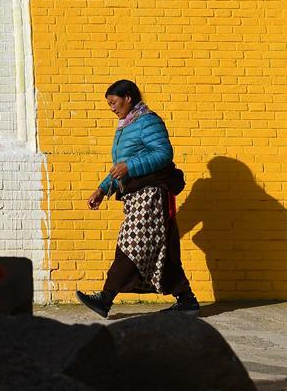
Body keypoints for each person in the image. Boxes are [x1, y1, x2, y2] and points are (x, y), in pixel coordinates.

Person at [77, 80, 199, 318]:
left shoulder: (148, 121)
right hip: (136, 194)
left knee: (131, 243)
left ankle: (105, 298)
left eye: (114, 102)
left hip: (153, 192)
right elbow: (120, 168)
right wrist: (102, 190)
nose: (111, 108)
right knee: (160, 248)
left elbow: (164, 154)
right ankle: (187, 300)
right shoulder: (126, 126)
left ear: (128, 98)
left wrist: (129, 166)